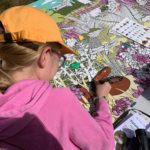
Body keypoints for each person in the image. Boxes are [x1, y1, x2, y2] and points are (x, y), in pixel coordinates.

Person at [0, 5, 115, 150]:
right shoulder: (60, 100)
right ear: (45, 56)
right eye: (60, 57)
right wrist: (102, 98)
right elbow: (104, 145)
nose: (60, 62)